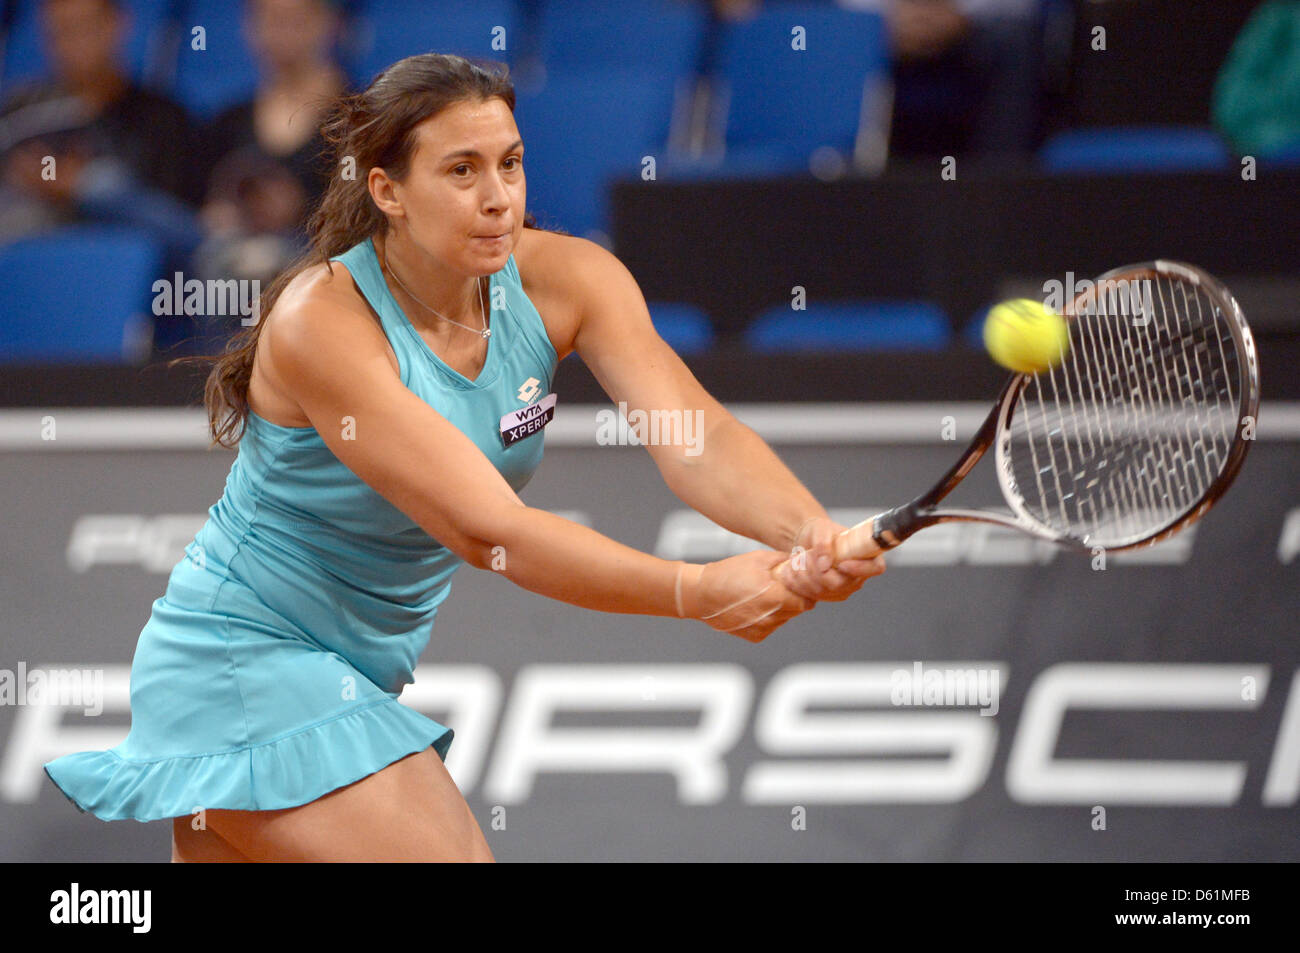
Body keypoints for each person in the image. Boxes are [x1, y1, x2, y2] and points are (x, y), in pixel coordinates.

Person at [42, 53, 887, 862]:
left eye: (511, 164)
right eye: (461, 171)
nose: (499, 198)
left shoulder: (570, 280)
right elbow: (494, 533)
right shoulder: (322, 322)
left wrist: (809, 531)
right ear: (388, 191)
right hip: (242, 662)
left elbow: (691, 436)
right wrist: (697, 590)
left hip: (346, 679)